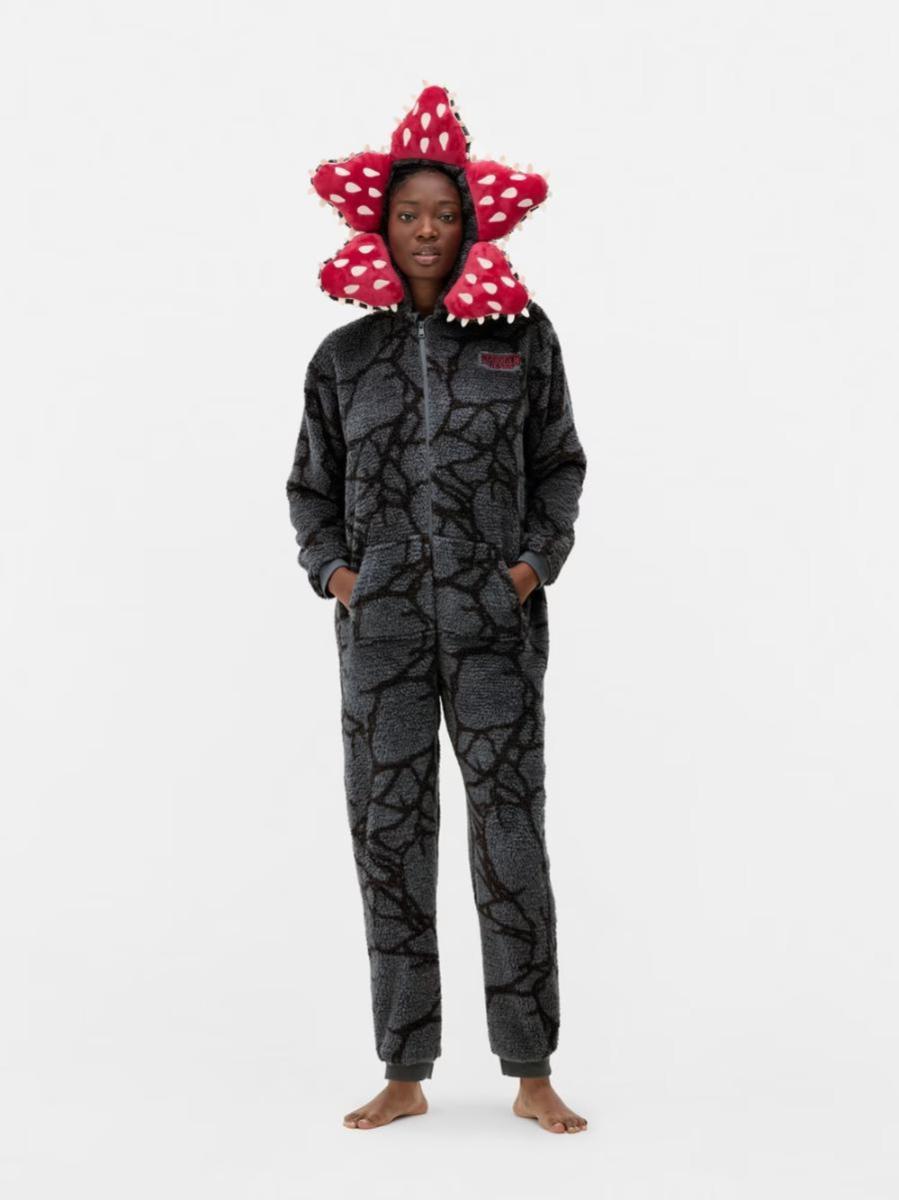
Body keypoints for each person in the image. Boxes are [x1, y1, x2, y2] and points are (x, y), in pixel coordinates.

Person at [286, 85, 588, 1133]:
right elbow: (308, 491)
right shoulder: (343, 357)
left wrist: (530, 566)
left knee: (510, 837)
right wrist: (340, 576)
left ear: (471, 223)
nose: (426, 230)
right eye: (409, 214)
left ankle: (531, 1069)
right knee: (388, 837)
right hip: (380, 639)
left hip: (494, 631)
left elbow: (559, 464)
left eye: (443, 215)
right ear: (380, 223)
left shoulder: (520, 335)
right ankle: (404, 1068)